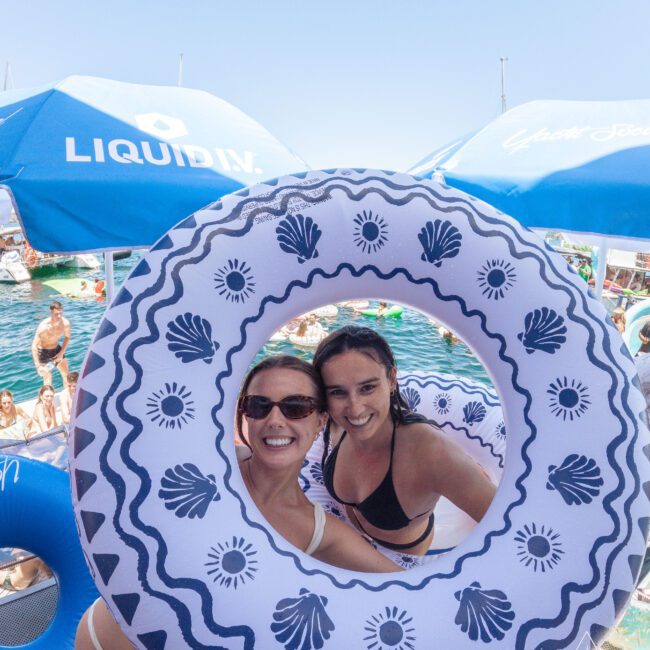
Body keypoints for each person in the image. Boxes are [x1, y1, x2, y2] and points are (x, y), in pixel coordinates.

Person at [75, 355, 399, 650]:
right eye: (259, 405)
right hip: (101, 637)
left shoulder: (318, 531)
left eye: (296, 407)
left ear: (320, 421)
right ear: (245, 414)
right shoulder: (211, 465)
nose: (275, 419)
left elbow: (406, 587)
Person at [313, 325, 496, 556]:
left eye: (368, 387)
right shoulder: (336, 422)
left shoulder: (433, 453)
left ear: (391, 380)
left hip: (405, 555)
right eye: (337, 392)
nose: (355, 408)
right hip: (351, 536)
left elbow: (506, 526)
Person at [31, 301, 71, 388]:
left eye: (60, 313)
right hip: (44, 352)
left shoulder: (65, 323)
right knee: (47, 378)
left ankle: (68, 397)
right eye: (56, 314)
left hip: (57, 350)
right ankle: (48, 400)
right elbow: (34, 346)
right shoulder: (43, 326)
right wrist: (38, 366)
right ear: (51, 313)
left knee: (66, 375)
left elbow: (67, 337)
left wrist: (61, 353)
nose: (59, 316)